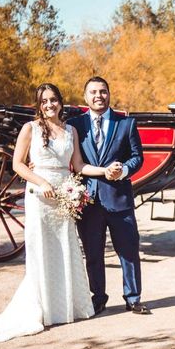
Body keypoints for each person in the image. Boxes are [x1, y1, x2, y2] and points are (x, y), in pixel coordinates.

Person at [0, 83, 116, 342]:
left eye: (53, 100)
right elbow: (18, 164)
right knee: (41, 249)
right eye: (44, 101)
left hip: (64, 194)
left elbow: (79, 165)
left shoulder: (71, 131)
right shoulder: (29, 129)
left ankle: (67, 307)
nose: (49, 105)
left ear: (61, 102)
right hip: (40, 196)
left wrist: (105, 171)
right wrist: (41, 182)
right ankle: (44, 310)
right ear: (39, 105)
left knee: (66, 247)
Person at [69, 76, 148, 315]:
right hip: (88, 200)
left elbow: (137, 157)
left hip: (119, 198)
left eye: (103, 91)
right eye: (93, 92)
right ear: (85, 97)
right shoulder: (75, 125)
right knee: (93, 253)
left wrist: (123, 170)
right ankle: (98, 297)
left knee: (129, 250)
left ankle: (133, 298)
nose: (98, 96)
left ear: (109, 94)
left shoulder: (126, 124)